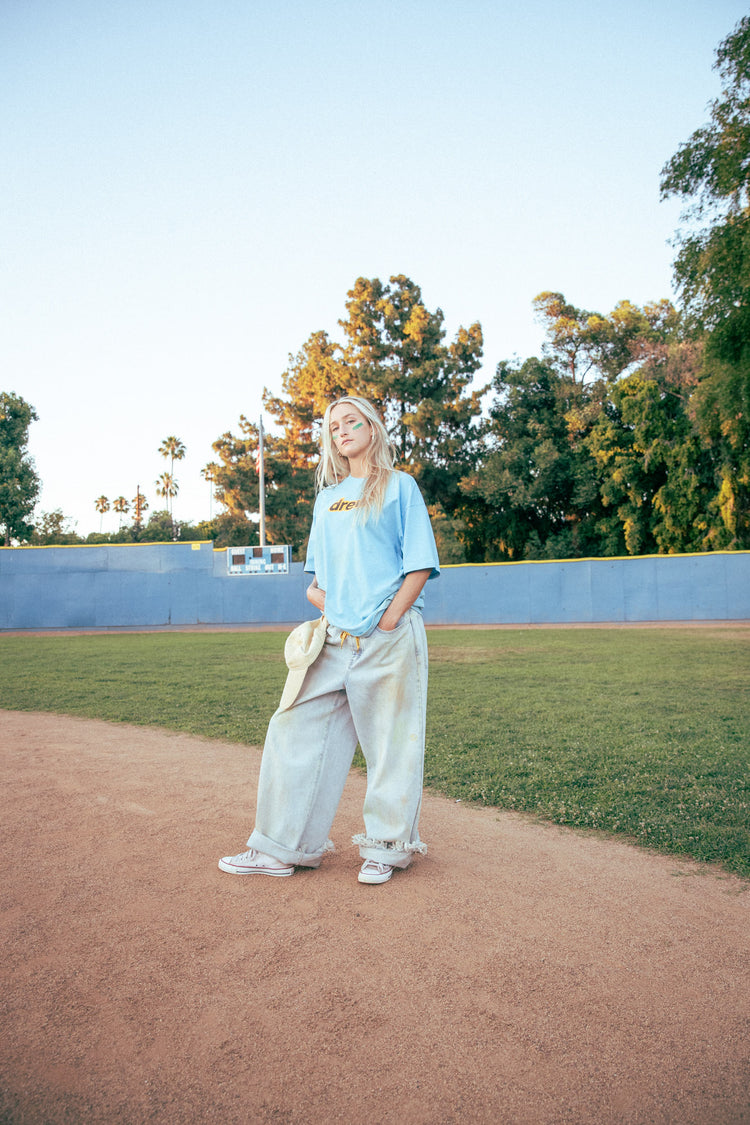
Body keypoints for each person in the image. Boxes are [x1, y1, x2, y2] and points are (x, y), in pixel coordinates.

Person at [219, 395, 440, 884]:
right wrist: (330, 609)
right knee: (293, 729)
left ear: (372, 428)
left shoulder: (400, 488)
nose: (341, 431)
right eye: (333, 426)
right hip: (334, 638)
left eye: (350, 421)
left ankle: (386, 848)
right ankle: (282, 848)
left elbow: (419, 564)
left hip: (388, 639)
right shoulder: (328, 498)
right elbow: (315, 582)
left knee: (390, 744)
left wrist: (387, 621)